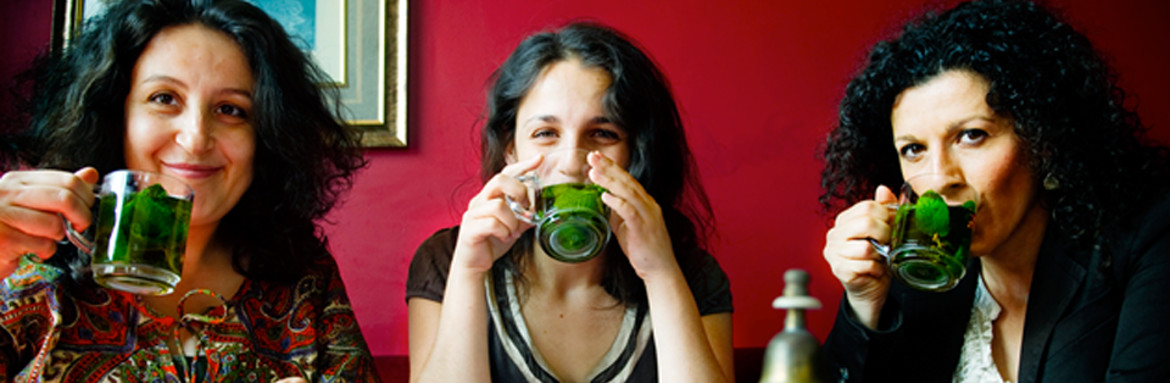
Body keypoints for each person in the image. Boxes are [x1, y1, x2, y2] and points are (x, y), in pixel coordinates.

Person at [0, 0, 377, 381]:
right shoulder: (26, 267)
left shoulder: (304, 278)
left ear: (264, 138)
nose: (196, 139)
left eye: (231, 109)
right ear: (117, 117)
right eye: (164, 98)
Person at [818, 0, 1170, 382]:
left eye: (972, 136)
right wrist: (864, 303)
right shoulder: (920, 275)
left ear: (1043, 138)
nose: (938, 179)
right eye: (914, 149)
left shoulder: (1150, 233)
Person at [406, 22, 734, 382]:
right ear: (511, 150)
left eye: (603, 134)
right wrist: (469, 271)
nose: (572, 162)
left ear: (635, 155)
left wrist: (659, 272)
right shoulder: (446, 261)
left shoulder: (689, 273)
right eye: (545, 134)